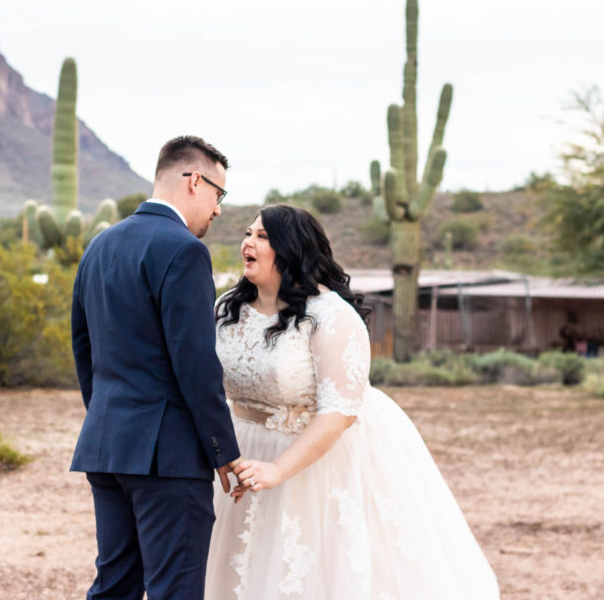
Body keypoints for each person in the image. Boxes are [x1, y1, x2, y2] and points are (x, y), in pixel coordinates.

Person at [205, 205, 500, 599]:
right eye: (248, 233)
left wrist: (277, 470)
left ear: (292, 249)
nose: (248, 242)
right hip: (240, 455)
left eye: (263, 236)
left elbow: (339, 412)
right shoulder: (228, 308)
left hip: (314, 462)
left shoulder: (330, 316)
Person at [70, 135, 243, 600]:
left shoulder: (99, 247)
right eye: (218, 194)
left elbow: (84, 349)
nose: (219, 209)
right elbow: (196, 365)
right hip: (167, 459)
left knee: (114, 588)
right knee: (176, 589)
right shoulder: (183, 250)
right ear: (193, 181)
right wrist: (222, 451)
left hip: (107, 447)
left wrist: (112, 418)